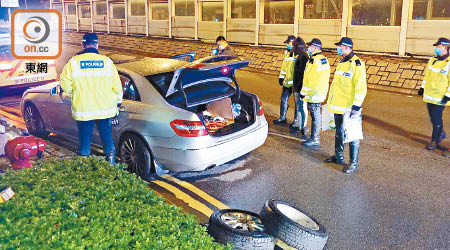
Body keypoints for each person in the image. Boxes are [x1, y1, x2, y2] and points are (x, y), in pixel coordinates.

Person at [60, 33, 123, 165]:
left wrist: (78, 91)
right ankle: (111, 166)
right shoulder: (107, 62)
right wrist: (117, 102)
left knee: (84, 139)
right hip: (105, 108)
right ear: (97, 44)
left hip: (84, 109)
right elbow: (117, 87)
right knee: (107, 137)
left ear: (82, 45)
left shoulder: (73, 62)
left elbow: (65, 86)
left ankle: (85, 169)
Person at [325, 37, 367, 174]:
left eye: (340, 46)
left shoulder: (357, 64)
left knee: (352, 134)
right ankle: (338, 156)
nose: (338, 48)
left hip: (349, 107)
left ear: (347, 47)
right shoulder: (341, 62)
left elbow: (361, 87)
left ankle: (353, 163)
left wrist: (356, 106)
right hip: (338, 105)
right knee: (339, 131)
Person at [417, 37, 450, 154]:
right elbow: (427, 76)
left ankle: (434, 141)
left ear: (445, 47)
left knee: (436, 119)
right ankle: (440, 133)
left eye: (438, 47)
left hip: (440, 96)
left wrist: (448, 95)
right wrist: (422, 87)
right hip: (429, 95)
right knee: (432, 118)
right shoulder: (433, 60)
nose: (436, 49)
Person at [301, 38, 331, 148]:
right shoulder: (324, 59)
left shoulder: (313, 61)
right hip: (321, 92)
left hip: (313, 93)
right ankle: (315, 137)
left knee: (315, 116)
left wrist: (303, 93)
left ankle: (315, 139)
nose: (308, 48)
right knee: (316, 115)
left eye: (310, 46)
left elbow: (309, 79)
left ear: (314, 47)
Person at [273, 35, 296, 125]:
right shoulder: (287, 53)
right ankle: (282, 117)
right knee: (283, 99)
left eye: (288, 43)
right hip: (287, 82)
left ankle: (296, 121)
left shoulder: (298, 54)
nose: (287, 45)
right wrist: (281, 77)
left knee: (298, 104)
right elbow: (284, 67)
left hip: (295, 83)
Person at [291, 37, 310, 137]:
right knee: (299, 108)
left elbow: (303, 75)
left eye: (294, 46)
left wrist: (299, 89)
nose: (292, 48)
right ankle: (300, 126)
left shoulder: (303, 57)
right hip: (298, 88)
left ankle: (303, 128)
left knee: (302, 108)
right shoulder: (302, 56)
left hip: (299, 88)